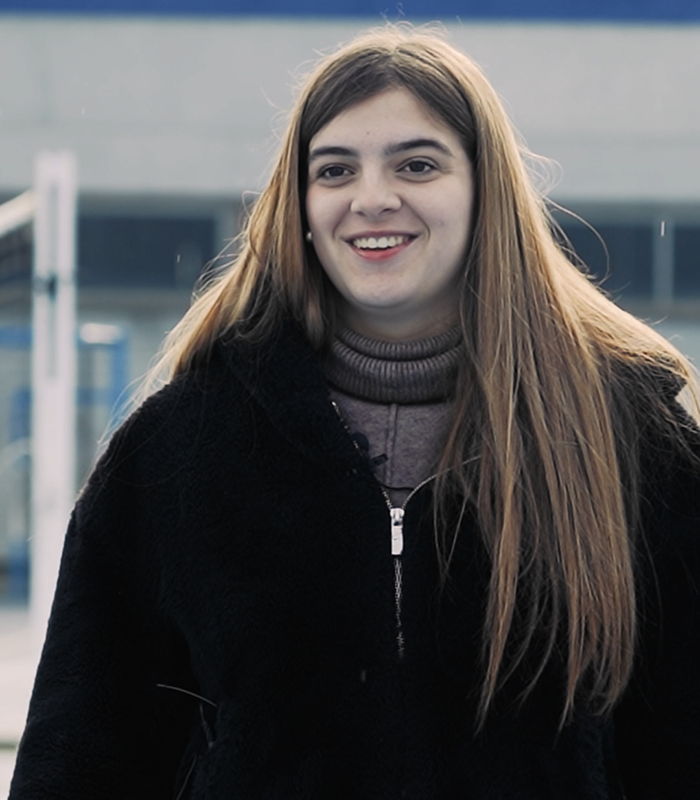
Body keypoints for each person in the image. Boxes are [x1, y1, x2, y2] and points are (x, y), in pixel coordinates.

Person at [9, 26, 700, 800]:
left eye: (417, 164)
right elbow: (81, 761)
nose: (372, 197)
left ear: (486, 191)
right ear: (301, 205)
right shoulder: (179, 449)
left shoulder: (637, 445)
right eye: (335, 169)